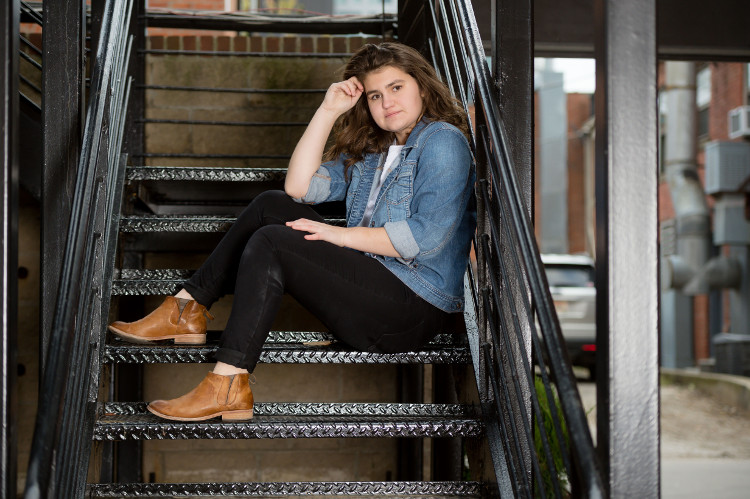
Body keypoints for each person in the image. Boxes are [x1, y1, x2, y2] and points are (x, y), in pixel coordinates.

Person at [108, 42, 476, 422]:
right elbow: (298, 187)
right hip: (370, 290)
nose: (387, 103)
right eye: (375, 95)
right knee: (270, 204)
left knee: (273, 242)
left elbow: (424, 237)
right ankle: (186, 308)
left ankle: (229, 381)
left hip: (411, 308)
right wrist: (327, 110)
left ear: (421, 85)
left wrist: (337, 236)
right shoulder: (375, 152)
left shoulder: (443, 142)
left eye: (397, 88)